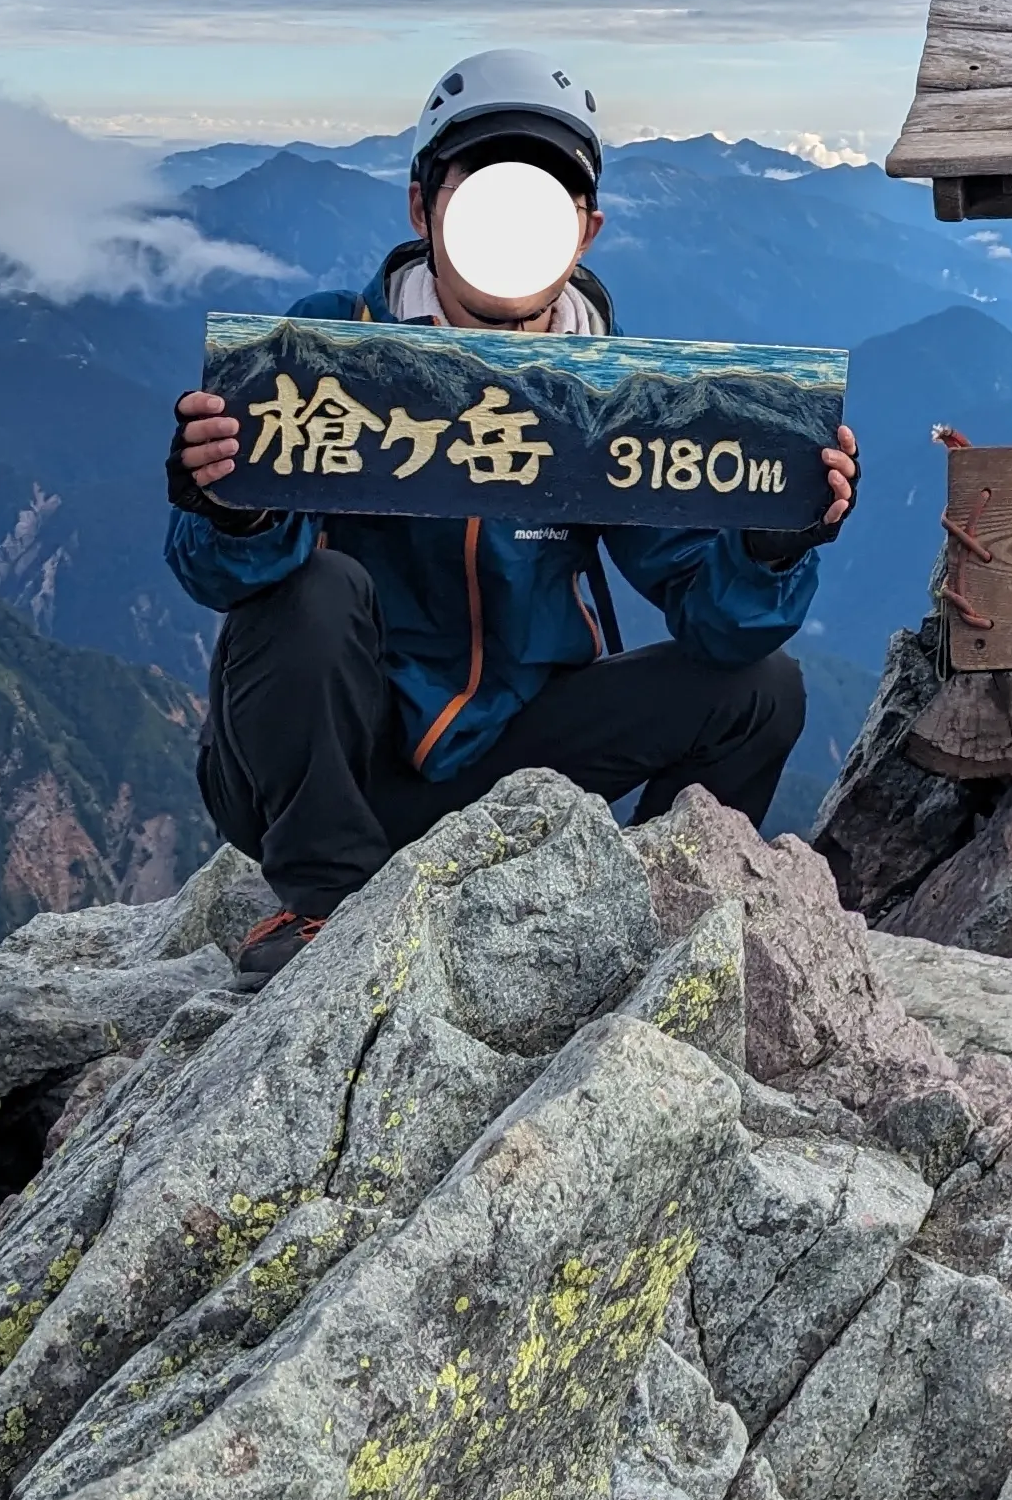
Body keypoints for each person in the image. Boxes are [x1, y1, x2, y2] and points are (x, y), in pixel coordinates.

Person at [166, 48, 857, 986]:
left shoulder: (617, 390)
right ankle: (324, 909)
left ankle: (655, 911)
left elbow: (715, 617)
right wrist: (228, 504)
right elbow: (224, 578)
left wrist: (772, 543)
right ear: (424, 206)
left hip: (512, 758)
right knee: (315, 591)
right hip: (338, 760)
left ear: (586, 229)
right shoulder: (327, 347)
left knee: (763, 689)